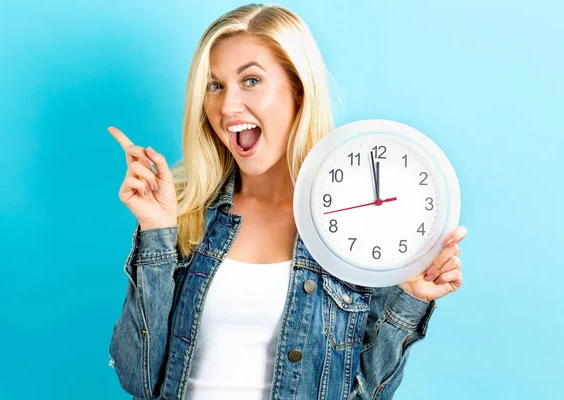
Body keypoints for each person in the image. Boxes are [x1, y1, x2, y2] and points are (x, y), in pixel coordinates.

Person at [107, 3, 468, 400]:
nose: (227, 107)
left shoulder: (357, 233)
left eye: (251, 81)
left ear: (297, 89)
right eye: (215, 86)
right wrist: (156, 233)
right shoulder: (184, 213)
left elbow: (365, 394)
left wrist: (408, 301)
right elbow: (137, 378)